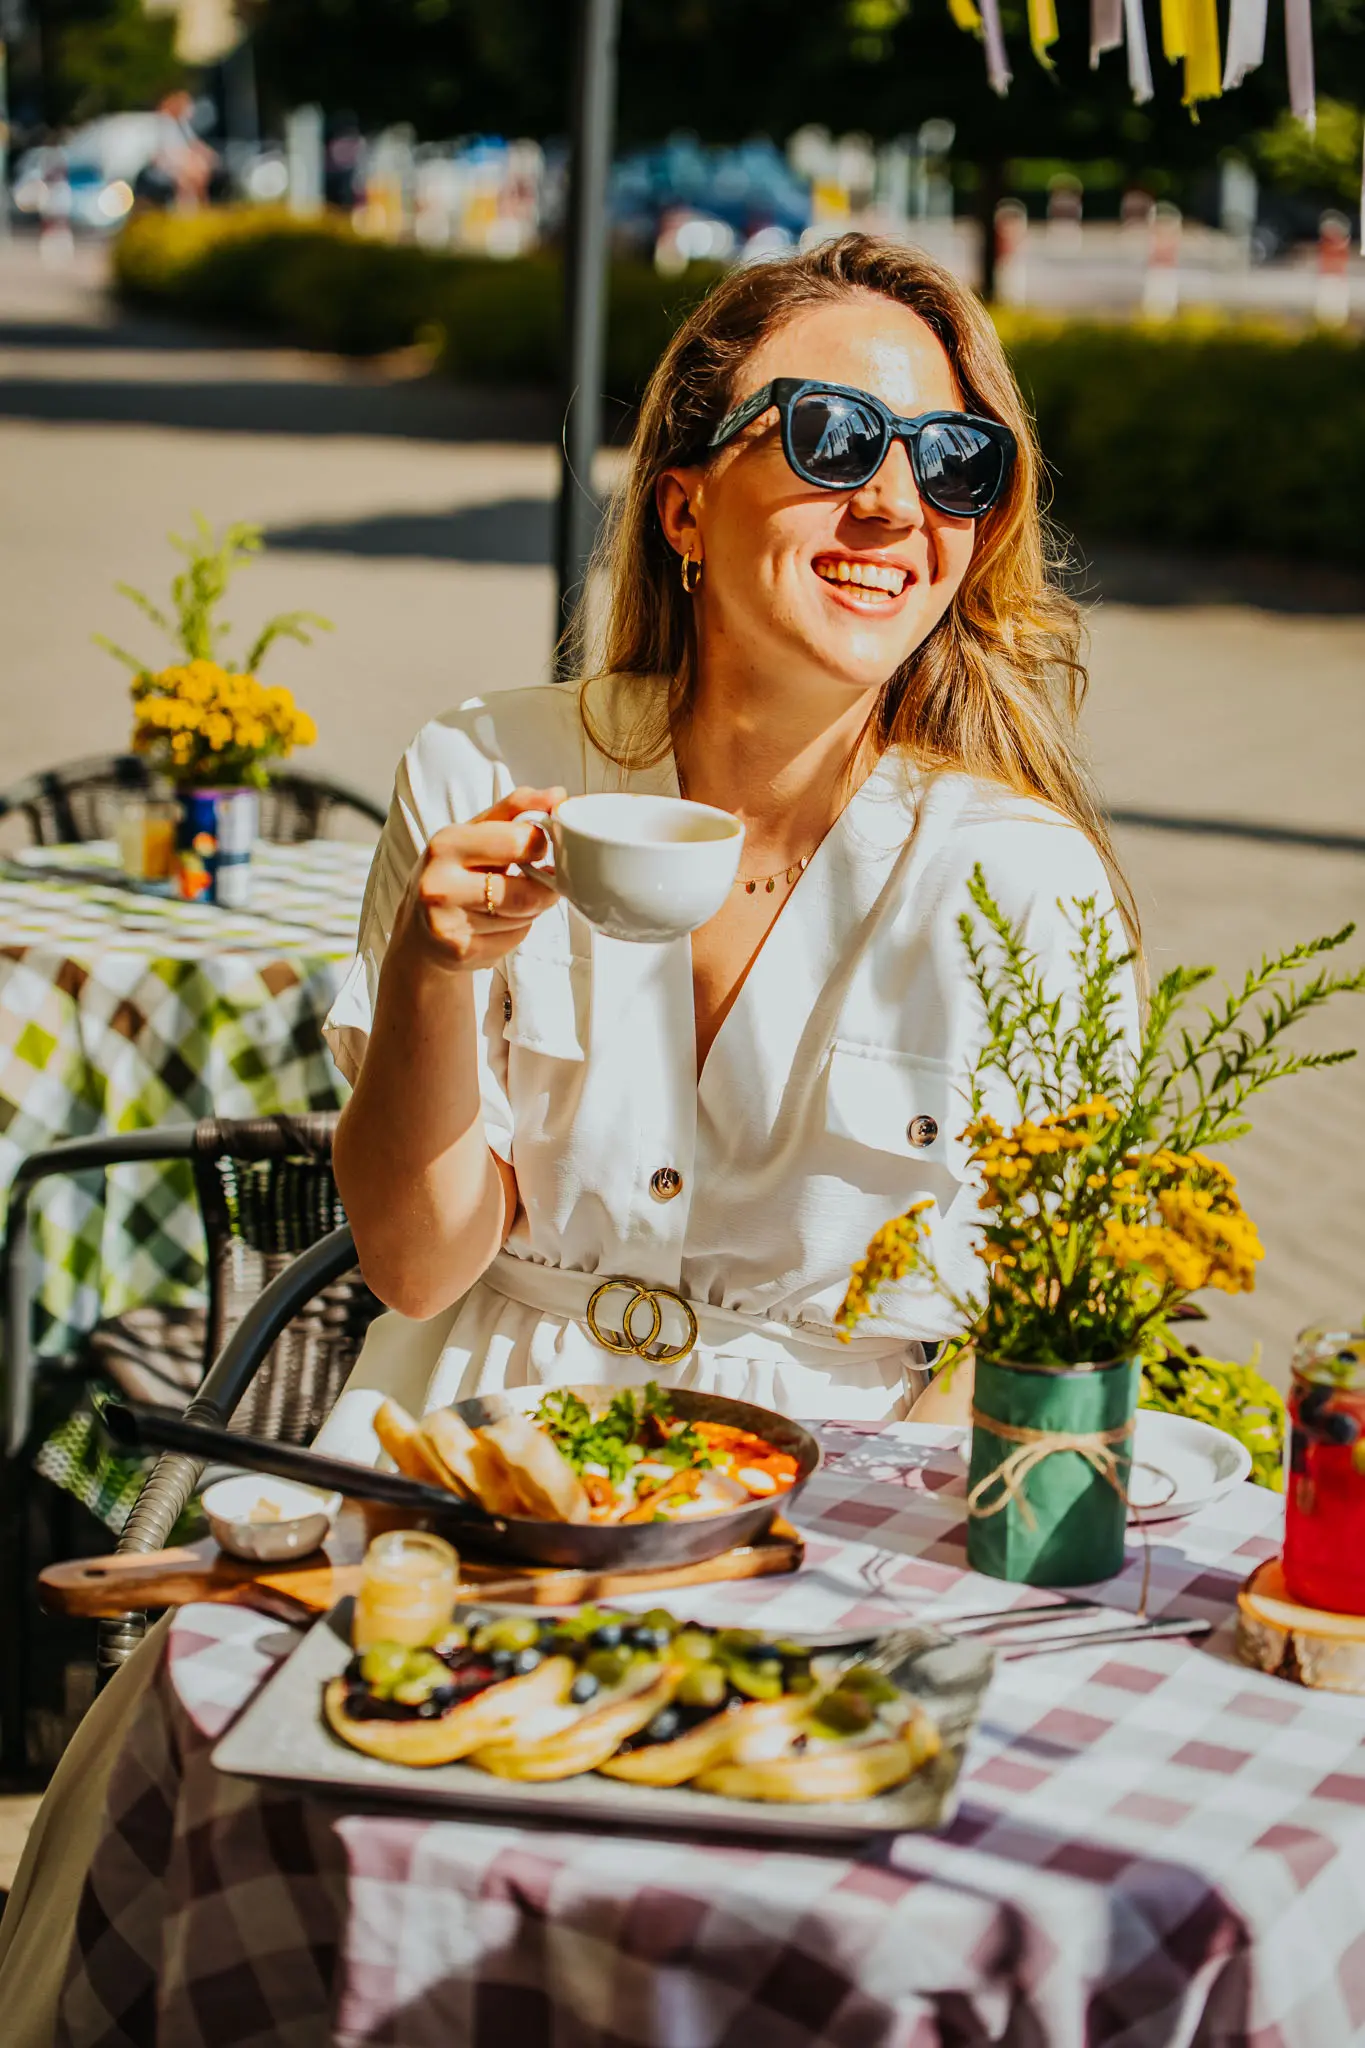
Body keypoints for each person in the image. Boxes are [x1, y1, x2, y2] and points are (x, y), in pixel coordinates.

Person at [317, 231, 1139, 1463]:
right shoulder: (482, 769)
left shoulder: (1024, 879)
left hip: (836, 1490)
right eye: (830, 435)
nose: (892, 504)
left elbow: (1030, 1333)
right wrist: (433, 973)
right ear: (685, 504)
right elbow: (418, 1263)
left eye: (954, 463)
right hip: (474, 1450)